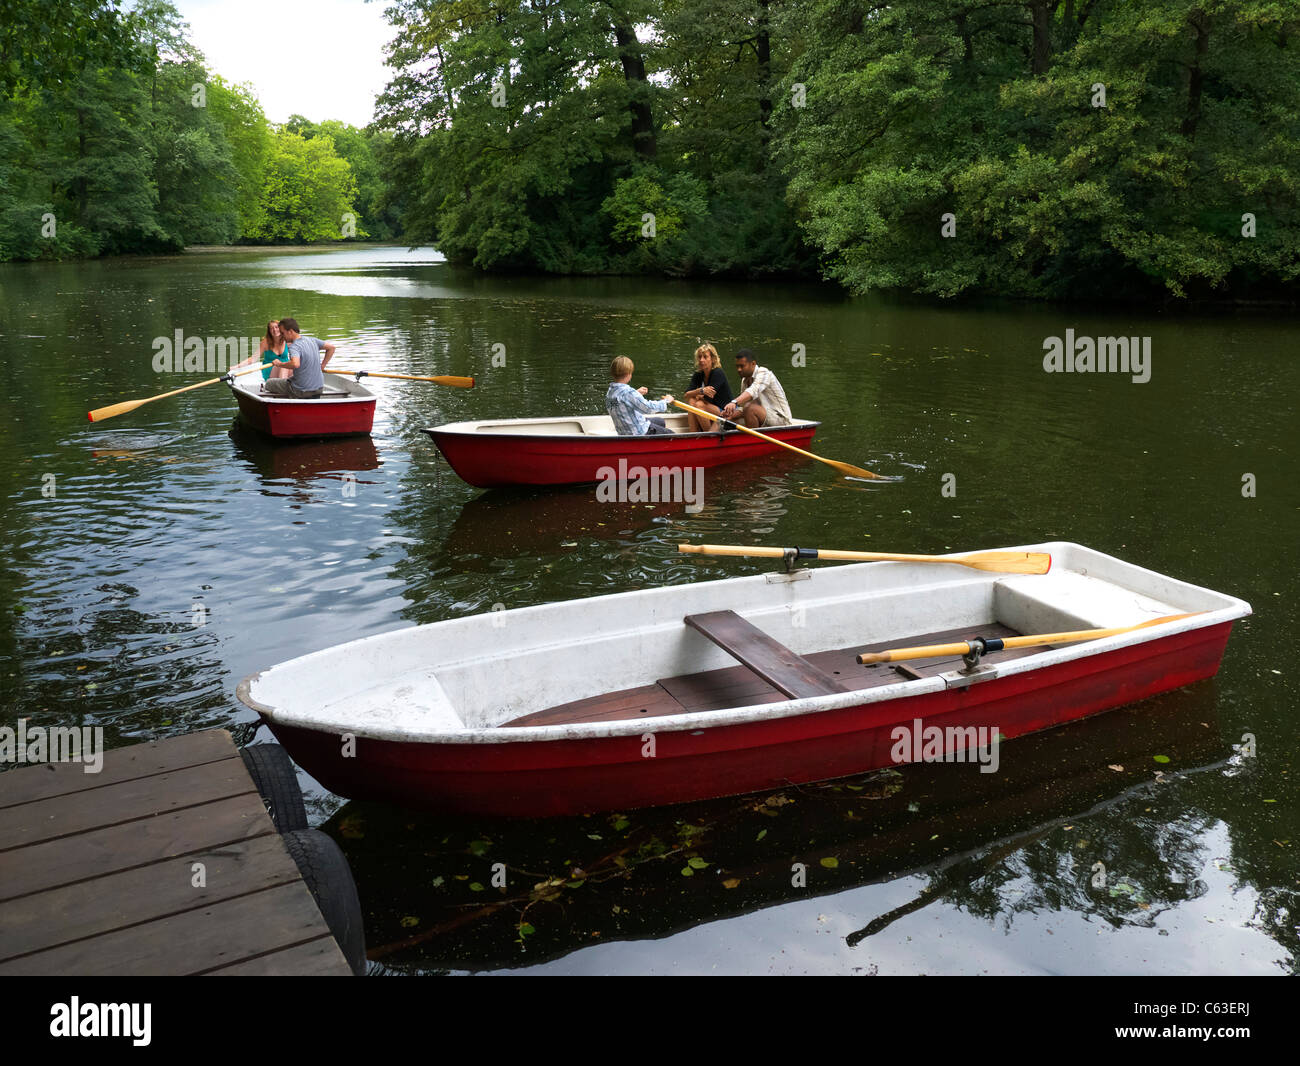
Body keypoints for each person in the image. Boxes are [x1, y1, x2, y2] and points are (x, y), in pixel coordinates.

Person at [265, 318, 335, 399]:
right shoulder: (312, 340)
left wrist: (279, 364)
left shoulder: (294, 346)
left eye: (282, 333)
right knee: (290, 379)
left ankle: (283, 400)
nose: (281, 336)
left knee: (269, 383)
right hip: (319, 389)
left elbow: (295, 364)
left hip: (300, 391)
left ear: (290, 331)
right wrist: (322, 366)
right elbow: (331, 348)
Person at [723, 348, 792, 428]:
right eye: (737, 366)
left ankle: (752, 440)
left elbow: (752, 391)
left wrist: (734, 402)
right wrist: (730, 413)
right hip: (762, 415)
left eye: (742, 366)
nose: (739, 369)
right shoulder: (745, 380)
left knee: (750, 409)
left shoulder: (764, 373)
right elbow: (744, 406)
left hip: (781, 419)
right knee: (726, 419)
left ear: (753, 363)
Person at [606, 356, 674, 435]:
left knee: (660, 421)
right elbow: (648, 408)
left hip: (623, 432)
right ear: (628, 374)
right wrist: (666, 401)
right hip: (639, 432)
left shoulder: (610, 392)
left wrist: (636, 393)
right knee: (672, 435)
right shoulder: (628, 393)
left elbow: (621, 401)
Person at [682, 342, 734, 433]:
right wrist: (700, 391)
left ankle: (709, 436)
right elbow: (686, 395)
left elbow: (708, 398)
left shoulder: (718, 373)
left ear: (713, 359)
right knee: (692, 400)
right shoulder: (698, 374)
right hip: (712, 408)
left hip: (725, 410)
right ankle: (693, 433)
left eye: (705, 357)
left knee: (699, 405)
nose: (701, 360)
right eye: (699, 357)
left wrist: (697, 394)